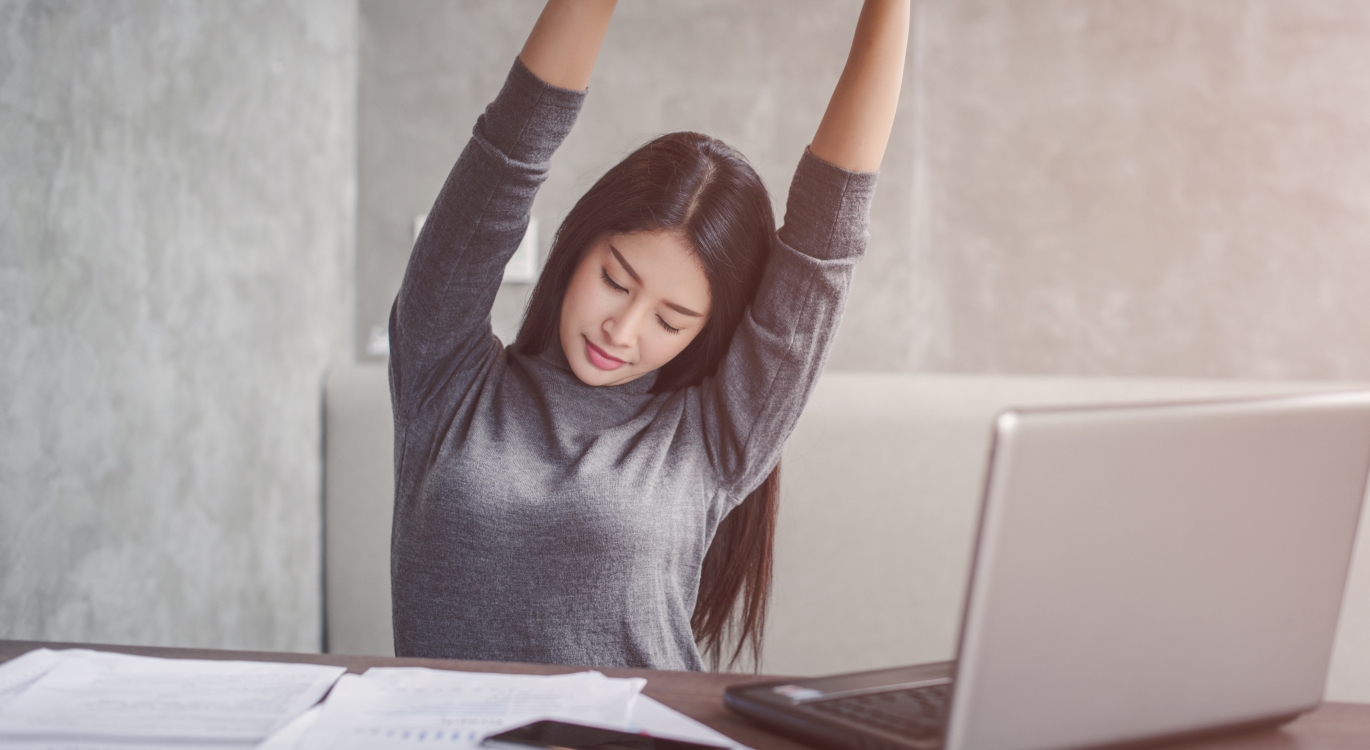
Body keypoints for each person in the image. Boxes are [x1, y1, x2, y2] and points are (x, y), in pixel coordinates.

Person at [388, 0, 910, 671]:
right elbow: (510, 149)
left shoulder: (712, 436)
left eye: (670, 320)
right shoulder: (445, 372)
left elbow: (826, 233)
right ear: (578, 247)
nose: (623, 329)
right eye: (615, 279)